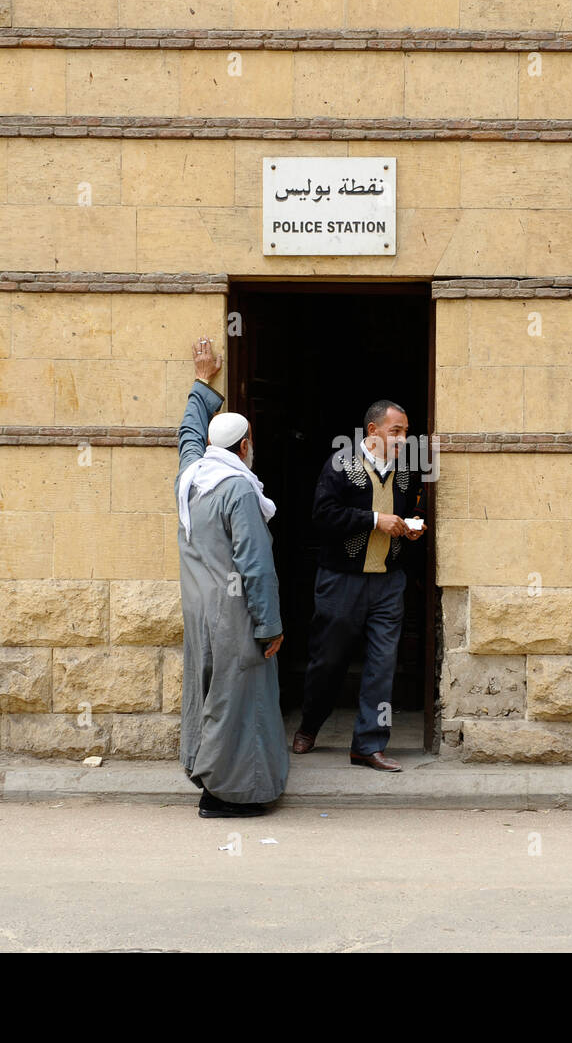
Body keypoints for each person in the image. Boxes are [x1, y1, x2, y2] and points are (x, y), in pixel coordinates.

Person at [175, 336, 288, 817]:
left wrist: (202, 385)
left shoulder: (192, 478)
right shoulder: (239, 490)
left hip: (200, 610)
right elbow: (256, 566)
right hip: (235, 615)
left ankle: (209, 780)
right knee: (238, 703)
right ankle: (230, 794)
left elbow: (186, 437)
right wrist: (270, 626)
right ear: (244, 446)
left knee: (208, 696)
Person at [293, 400, 427, 771]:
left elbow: (414, 508)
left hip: (388, 581)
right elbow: (323, 515)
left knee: (383, 665)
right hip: (341, 580)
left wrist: (412, 525)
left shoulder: (406, 470)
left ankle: (368, 745)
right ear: (373, 431)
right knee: (328, 660)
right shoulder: (341, 464)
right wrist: (373, 520)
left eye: (405, 431)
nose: (402, 439)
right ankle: (309, 724)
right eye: (395, 431)